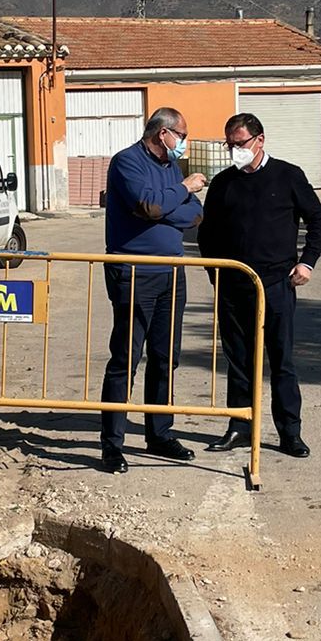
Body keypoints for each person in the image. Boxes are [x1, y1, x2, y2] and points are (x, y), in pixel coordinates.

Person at [197, 111, 321, 458]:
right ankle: (240, 425)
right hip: (233, 286)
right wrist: (217, 276)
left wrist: (307, 262)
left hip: (276, 284)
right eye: (230, 145)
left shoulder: (288, 176)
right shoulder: (224, 183)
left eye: (240, 143)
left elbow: (318, 220)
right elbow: (206, 234)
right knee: (239, 360)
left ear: (260, 140)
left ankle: (290, 432)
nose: (235, 150)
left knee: (281, 360)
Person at [99, 107, 206, 473]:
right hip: (133, 272)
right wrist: (183, 189)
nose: (183, 143)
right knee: (126, 358)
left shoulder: (168, 168)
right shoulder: (127, 163)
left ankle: (159, 433)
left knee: (165, 357)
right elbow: (150, 205)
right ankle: (112, 444)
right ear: (164, 134)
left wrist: (169, 201)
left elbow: (193, 215)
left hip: (172, 273)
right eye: (182, 135)